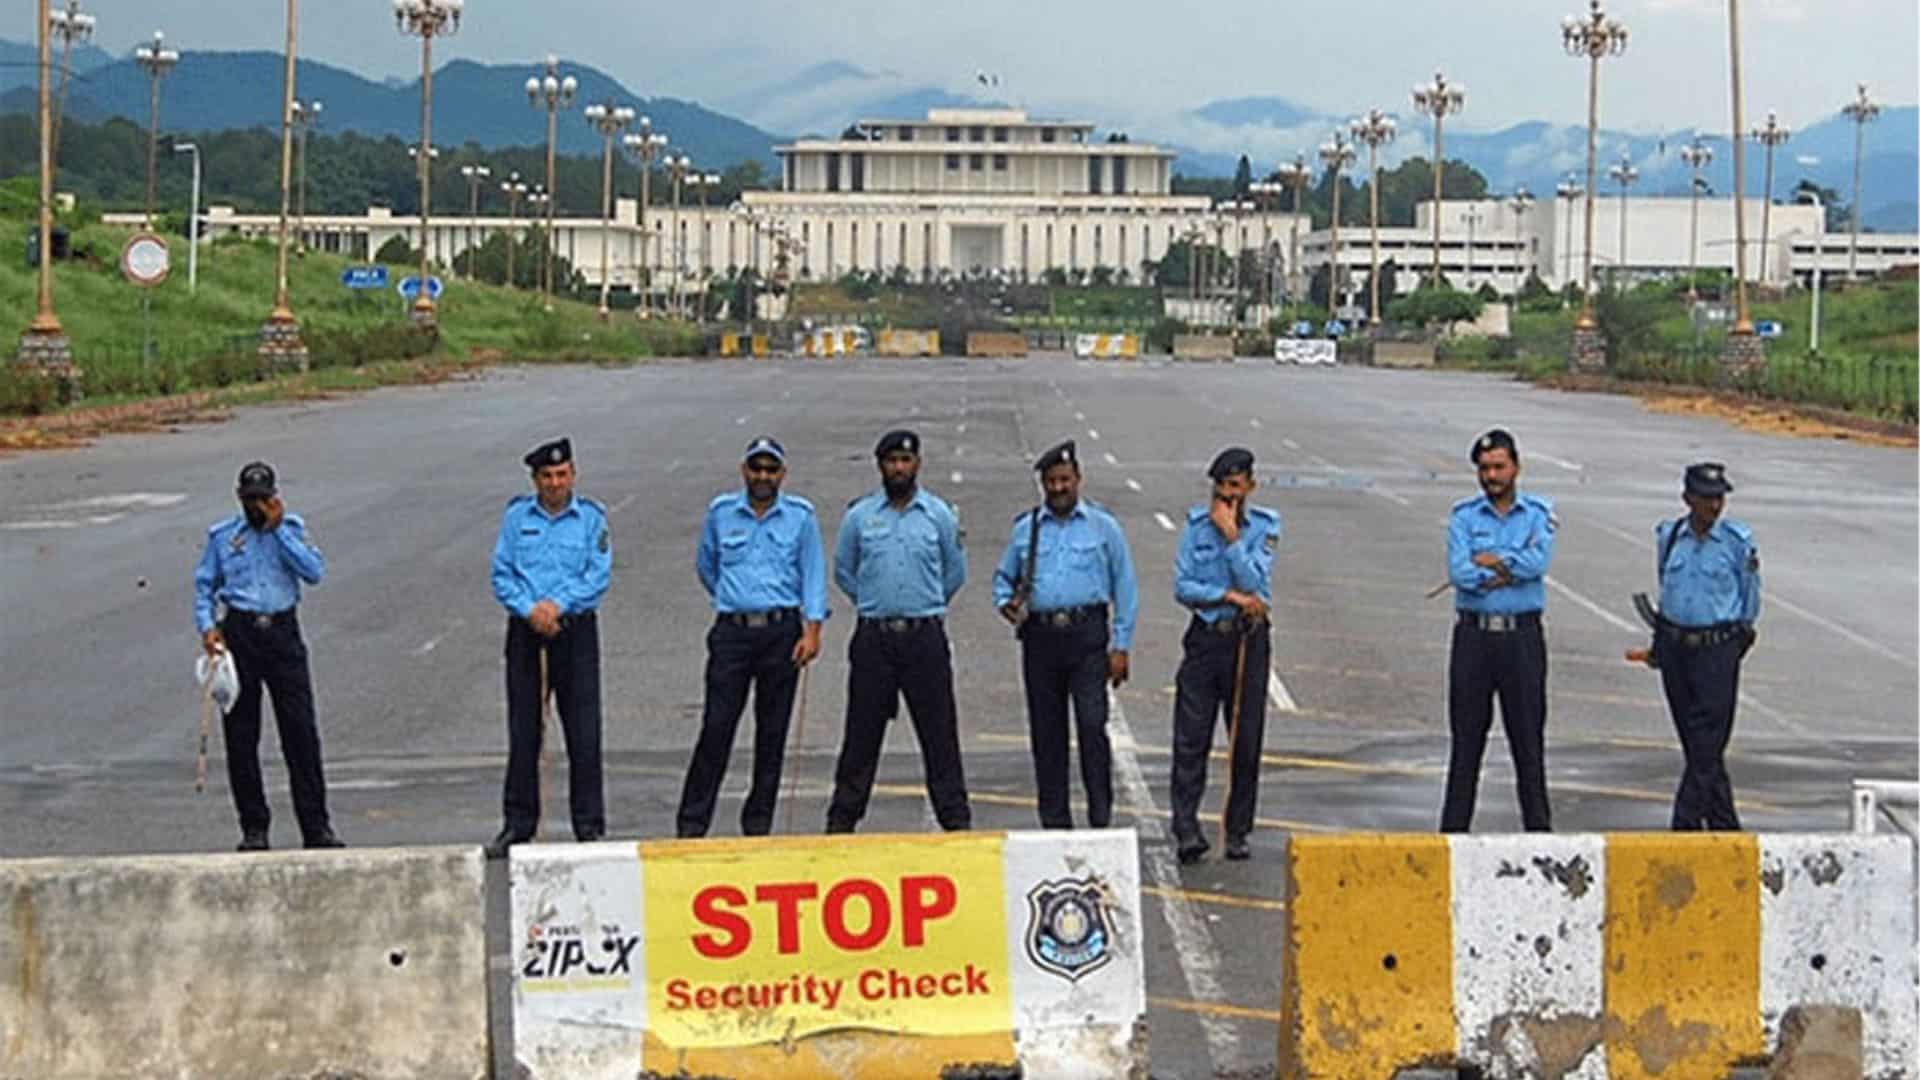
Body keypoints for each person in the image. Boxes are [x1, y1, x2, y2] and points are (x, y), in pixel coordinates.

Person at [676, 437, 829, 837]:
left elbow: (813, 574)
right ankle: (692, 824)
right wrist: (734, 599)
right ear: (744, 471)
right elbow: (707, 566)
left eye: (770, 469)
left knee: (772, 734)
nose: (763, 476)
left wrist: (813, 630)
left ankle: (758, 824)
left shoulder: (800, 517)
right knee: (716, 728)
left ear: (782, 474)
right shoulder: (722, 513)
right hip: (733, 633)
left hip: (782, 633)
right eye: (756, 468)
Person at [192, 461, 343, 851]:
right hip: (240, 632)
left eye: (263, 498)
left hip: (282, 632)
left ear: (275, 497)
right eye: (250, 500)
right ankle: (254, 828)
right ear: (239, 499)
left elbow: (314, 572)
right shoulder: (223, 537)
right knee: (242, 737)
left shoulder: (290, 529)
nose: (257, 506)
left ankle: (316, 827)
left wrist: (279, 532)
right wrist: (207, 627)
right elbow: (204, 586)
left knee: (300, 733)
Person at [825, 429, 971, 833]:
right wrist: (877, 603)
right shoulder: (860, 516)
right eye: (891, 461)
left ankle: (956, 822)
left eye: (905, 461)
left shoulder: (938, 515)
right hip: (875, 639)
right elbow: (845, 571)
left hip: (924, 637)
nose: (899, 468)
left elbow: (954, 572)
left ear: (917, 464)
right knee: (861, 736)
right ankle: (841, 823)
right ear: (880, 466)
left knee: (940, 735)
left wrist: (922, 605)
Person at [992, 439, 1138, 829]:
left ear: (1078, 479)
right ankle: (1055, 823)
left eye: (1065, 480)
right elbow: (1004, 577)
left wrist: (1121, 645)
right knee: (1047, 734)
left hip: (1086, 636)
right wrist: (1006, 602)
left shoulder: (1103, 526)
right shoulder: (1027, 529)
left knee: (1092, 725)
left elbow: (1125, 586)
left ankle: (1100, 816)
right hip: (1041, 639)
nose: (1058, 488)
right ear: (1043, 483)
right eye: (1051, 481)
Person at [486, 437, 612, 859]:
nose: (555, 483)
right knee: (524, 732)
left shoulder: (591, 518)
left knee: (584, 733)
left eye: (561, 475)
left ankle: (589, 825)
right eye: (547, 476)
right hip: (527, 632)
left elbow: (597, 575)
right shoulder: (517, 517)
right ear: (535, 479)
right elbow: (502, 574)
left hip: (574, 630)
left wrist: (557, 605)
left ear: (573, 474)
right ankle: (518, 824)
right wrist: (530, 610)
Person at [1440, 428, 1557, 833]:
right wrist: (1510, 566)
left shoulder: (1538, 514)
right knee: (1466, 745)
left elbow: (1537, 564)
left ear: (1516, 468)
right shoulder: (1464, 516)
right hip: (1474, 639)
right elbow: (1460, 573)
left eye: (1499, 467)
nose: (1491, 475)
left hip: (1521, 639)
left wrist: (1493, 561)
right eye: (1484, 468)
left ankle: (1540, 837)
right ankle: (1453, 837)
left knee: (1528, 744)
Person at [1169, 447, 1281, 863]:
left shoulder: (1265, 526)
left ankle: (1237, 830)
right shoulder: (1196, 527)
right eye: (1222, 488)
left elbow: (1256, 583)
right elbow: (1184, 586)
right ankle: (1186, 828)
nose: (1228, 496)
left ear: (1250, 486)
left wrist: (1233, 538)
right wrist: (1227, 596)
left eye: (1235, 486)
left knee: (1244, 739)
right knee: (1191, 737)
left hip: (1247, 640)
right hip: (1206, 637)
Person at [1642, 462, 1760, 831]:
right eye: (1706, 497)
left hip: (1716, 648)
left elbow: (1750, 596)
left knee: (1707, 742)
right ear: (1688, 499)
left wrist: (1734, 642)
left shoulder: (1737, 541)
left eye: (1719, 497)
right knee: (1697, 745)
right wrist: (1660, 644)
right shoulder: (1670, 536)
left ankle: (1685, 824)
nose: (1714, 505)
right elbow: (1665, 585)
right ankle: (1726, 828)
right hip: (1676, 646)